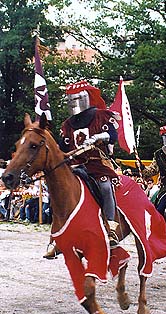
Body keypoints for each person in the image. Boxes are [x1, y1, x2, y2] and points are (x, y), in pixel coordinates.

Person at [59, 80, 121, 243]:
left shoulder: (100, 116)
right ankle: (59, 228)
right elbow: (62, 148)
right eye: (70, 99)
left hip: (96, 163)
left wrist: (99, 137)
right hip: (75, 165)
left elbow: (114, 136)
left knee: (106, 187)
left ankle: (110, 228)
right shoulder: (67, 124)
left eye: (76, 99)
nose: (73, 103)